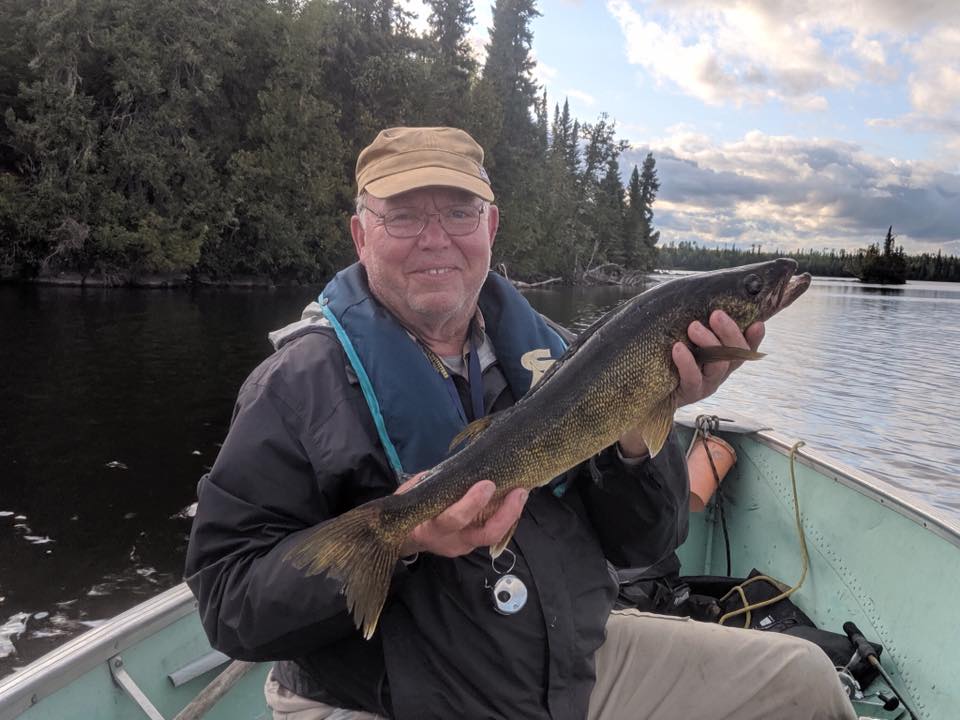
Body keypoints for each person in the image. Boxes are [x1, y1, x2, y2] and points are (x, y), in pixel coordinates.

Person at [184, 126, 856, 720]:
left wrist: (645, 421)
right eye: (403, 216)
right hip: (395, 697)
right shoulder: (293, 390)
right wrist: (410, 535)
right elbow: (228, 602)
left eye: (457, 212)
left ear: (491, 227)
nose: (435, 238)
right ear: (361, 234)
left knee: (803, 683)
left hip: (566, 667)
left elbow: (645, 543)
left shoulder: (559, 357)